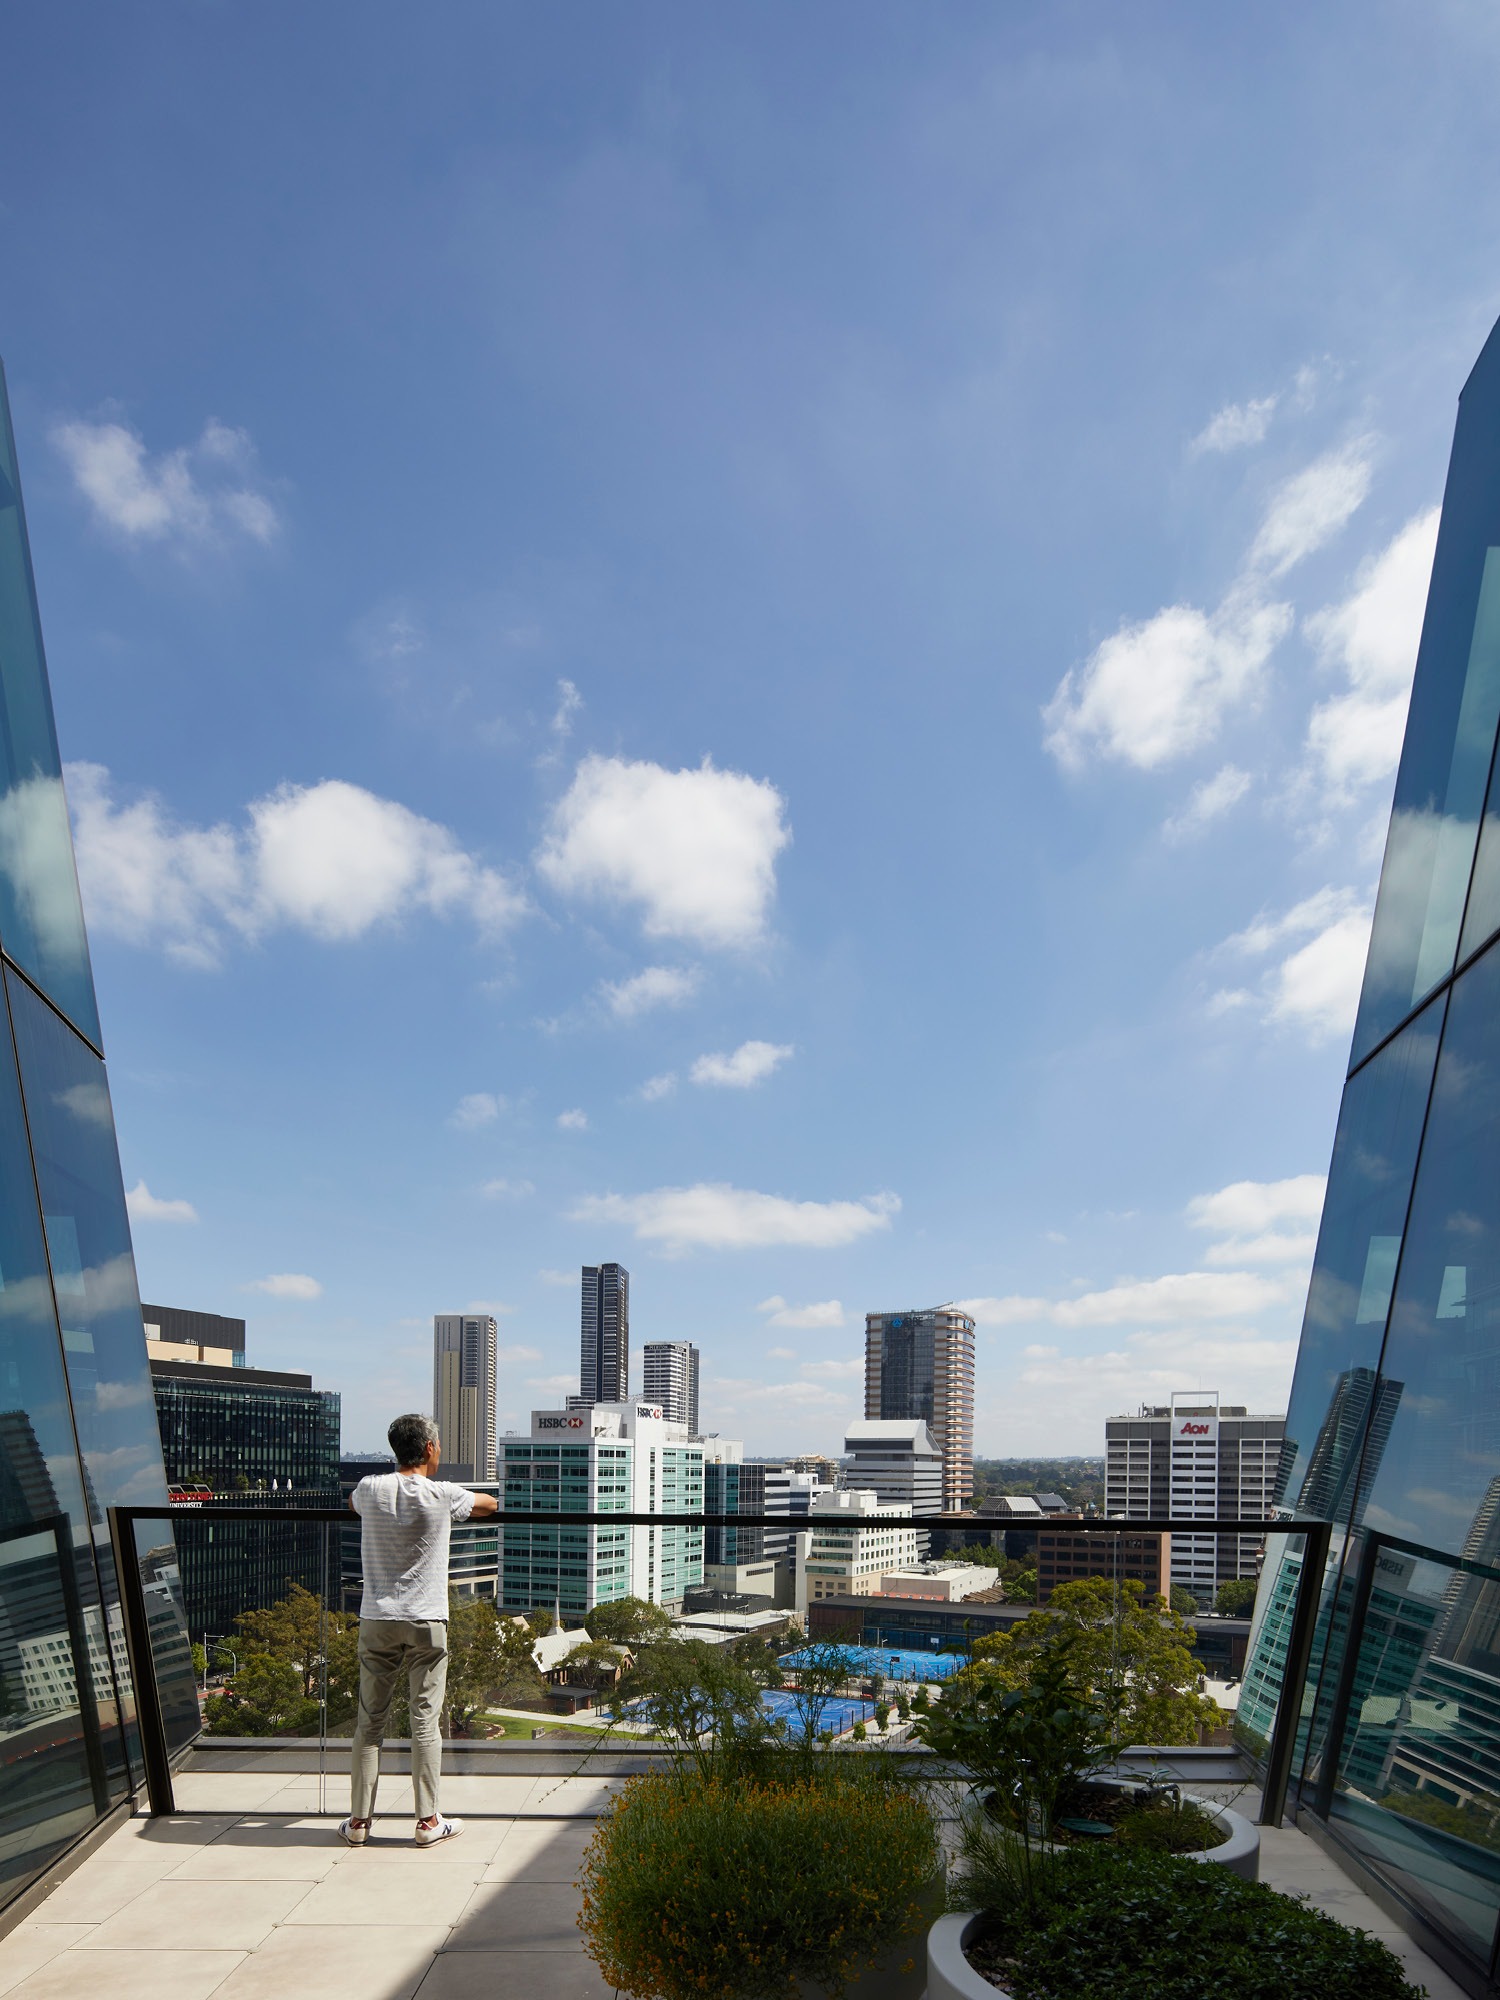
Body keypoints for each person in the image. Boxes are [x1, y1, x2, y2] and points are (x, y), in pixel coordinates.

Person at [339, 1412, 500, 1847]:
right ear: (429, 1449)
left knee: (369, 1723)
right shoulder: (443, 1494)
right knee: (424, 1721)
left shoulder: (370, 1488)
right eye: (440, 1444)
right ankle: (428, 1823)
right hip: (427, 1619)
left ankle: (358, 1823)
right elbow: (490, 1505)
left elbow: (352, 1504)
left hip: (376, 1619)